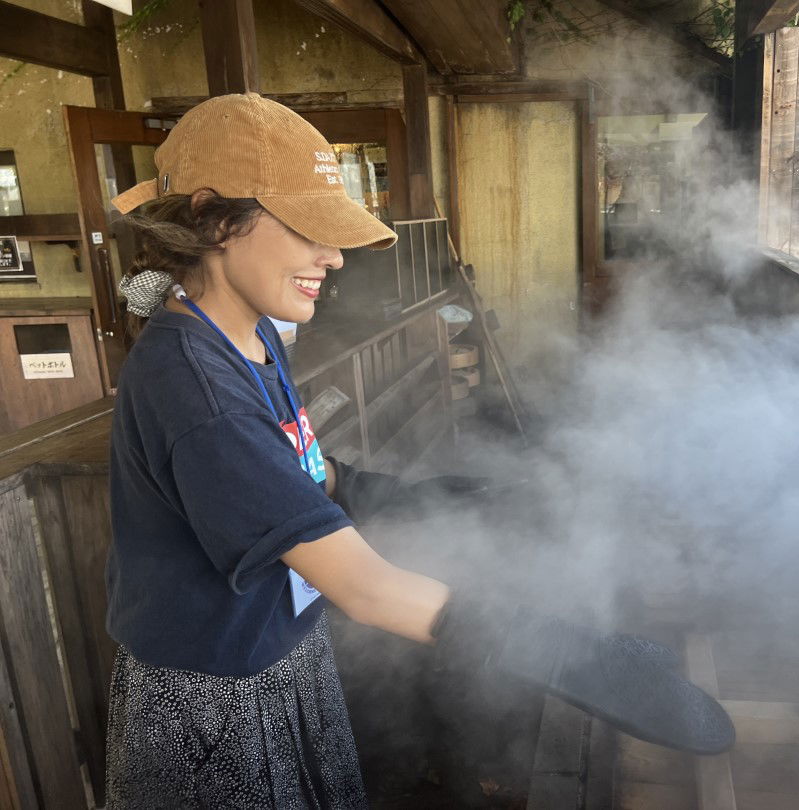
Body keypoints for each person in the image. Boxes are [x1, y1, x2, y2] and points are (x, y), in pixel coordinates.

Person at [105, 93, 732, 809]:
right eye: (308, 227)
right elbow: (364, 589)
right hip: (215, 707)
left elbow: (301, 470)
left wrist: (416, 495)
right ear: (214, 217)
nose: (333, 257)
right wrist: (562, 650)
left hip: (283, 656)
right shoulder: (193, 387)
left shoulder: (251, 337)